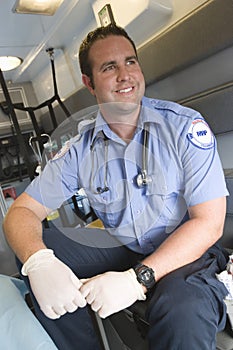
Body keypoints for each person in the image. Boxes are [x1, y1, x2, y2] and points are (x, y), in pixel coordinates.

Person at [2, 24, 230, 350]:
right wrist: (39, 261)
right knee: (41, 253)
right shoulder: (80, 149)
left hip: (187, 251)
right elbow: (21, 211)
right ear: (89, 83)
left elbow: (209, 223)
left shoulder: (182, 127)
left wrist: (136, 280)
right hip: (127, 246)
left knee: (182, 310)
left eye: (131, 62)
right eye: (109, 67)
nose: (125, 74)